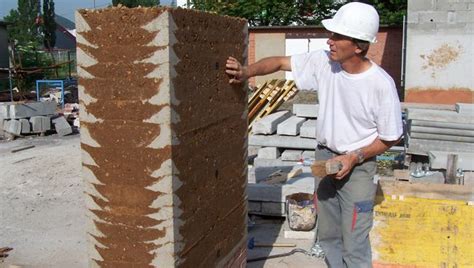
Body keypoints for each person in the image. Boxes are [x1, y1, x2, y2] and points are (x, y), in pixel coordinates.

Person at [226, 2, 403, 267]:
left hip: (359, 166)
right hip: (324, 157)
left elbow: (391, 138)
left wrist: (354, 157)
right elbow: (277, 62)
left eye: (337, 36)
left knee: (354, 238)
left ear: (359, 45)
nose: (329, 41)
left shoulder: (380, 85)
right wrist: (245, 72)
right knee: (328, 233)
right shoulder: (324, 62)